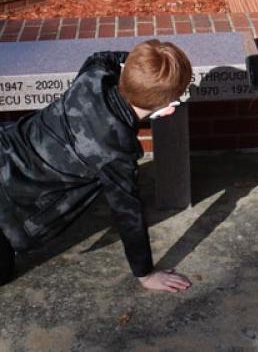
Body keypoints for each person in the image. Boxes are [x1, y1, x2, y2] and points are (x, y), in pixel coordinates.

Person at [0, 39, 192, 293]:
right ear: (167, 109)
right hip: (12, 200)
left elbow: (101, 55)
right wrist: (145, 274)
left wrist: (140, 69)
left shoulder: (94, 77)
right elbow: (128, 215)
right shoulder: (116, 152)